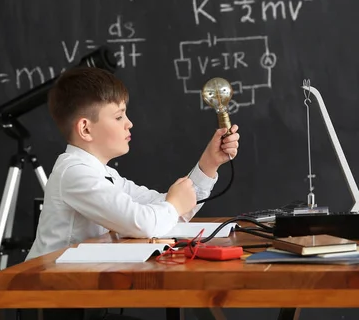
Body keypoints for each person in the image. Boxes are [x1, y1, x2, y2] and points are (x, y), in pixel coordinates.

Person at [25, 66, 240, 319]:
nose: (129, 123)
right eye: (118, 117)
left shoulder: (103, 174)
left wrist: (208, 165)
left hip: (80, 299)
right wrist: (172, 205)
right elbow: (145, 222)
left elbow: (166, 210)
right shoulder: (74, 173)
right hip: (52, 304)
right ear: (85, 129)